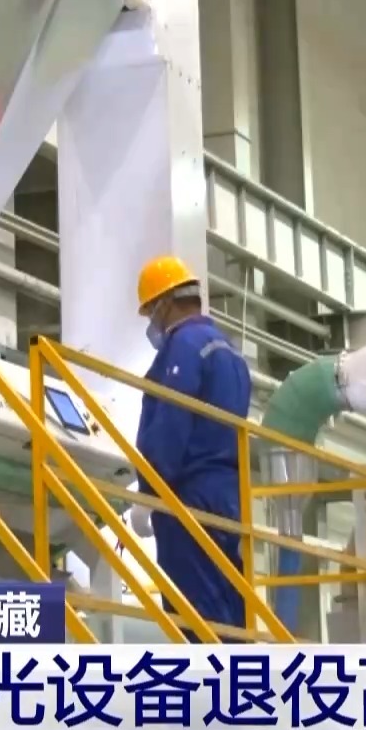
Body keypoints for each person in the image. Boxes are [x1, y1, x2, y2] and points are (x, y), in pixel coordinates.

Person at [124, 254, 253, 638]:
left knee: (194, 614)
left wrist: (149, 494)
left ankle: (208, 678)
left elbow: (170, 423)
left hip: (188, 498)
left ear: (164, 304)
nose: (152, 324)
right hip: (230, 497)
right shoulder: (230, 352)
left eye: (151, 312)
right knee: (229, 610)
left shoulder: (183, 346)